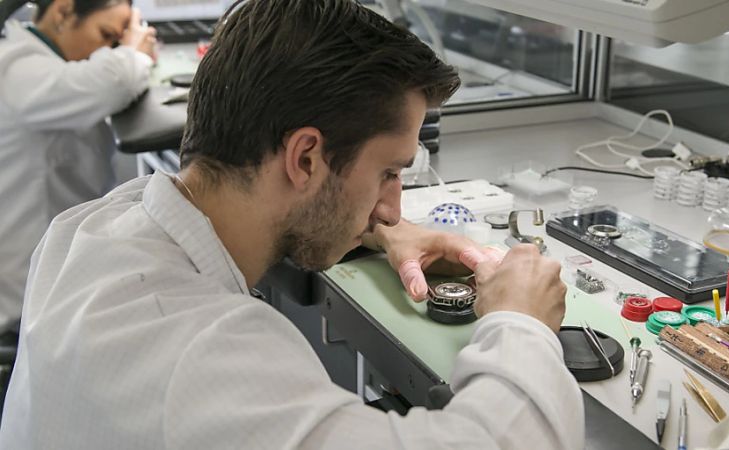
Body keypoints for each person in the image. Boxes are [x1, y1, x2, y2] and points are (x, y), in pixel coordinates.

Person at [0, 0, 584, 448]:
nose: (394, 206)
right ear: (305, 158)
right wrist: (521, 322)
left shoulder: (92, 228)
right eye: (388, 173)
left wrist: (372, 227)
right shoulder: (207, 359)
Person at [0, 0, 157, 336]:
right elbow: (113, 82)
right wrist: (133, 51)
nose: (107, 50)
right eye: (106, 35)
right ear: (63, 11)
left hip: (54, 275)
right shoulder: (16, 69)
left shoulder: (43, 65)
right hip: (24, 305)